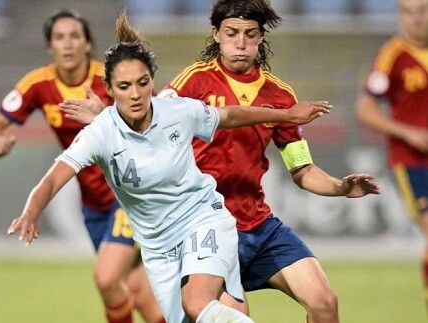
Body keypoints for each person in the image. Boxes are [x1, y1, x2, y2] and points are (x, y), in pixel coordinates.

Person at [6, 11, 335, 323]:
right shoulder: (100, 133)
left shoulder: (177, 112)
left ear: (152, 83)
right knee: (184, 313)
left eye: (142, 83)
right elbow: (54, 177)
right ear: (109, 91)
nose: (135, 94)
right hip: (160, 245)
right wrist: (31, 211)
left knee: (197, 303)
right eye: (124, 87)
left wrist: (286, 114)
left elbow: (231, 116)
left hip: (204, 220)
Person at [158, 1, 381, 322]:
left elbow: (302, 169)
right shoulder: (192, 83)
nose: (240, 43)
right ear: (216, 35)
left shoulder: (280, 95)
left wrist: (340, 187)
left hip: (259, 225)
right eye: (231, 33)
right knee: (232, 314)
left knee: (325, 303)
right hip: (204, 226)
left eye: (249, 34)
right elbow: (153, 124)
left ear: (261, 37)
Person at [0, 9, 164, 323]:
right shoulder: (39, 84)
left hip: (129, 196)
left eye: (75, 36)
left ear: (88, 44)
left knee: (107, 278)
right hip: (92, 204)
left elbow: (155, 118)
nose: (67, 44)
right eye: (59, 38)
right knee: (136, 288)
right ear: (50, 47)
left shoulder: (111, 79)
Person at [356, 0, 428, 311]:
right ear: (400, 15)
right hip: (413, 162)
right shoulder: (392, 55)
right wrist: (408, 132)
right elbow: (365, 108)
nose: (416, 19)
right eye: (408, 12)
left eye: (422, 11)